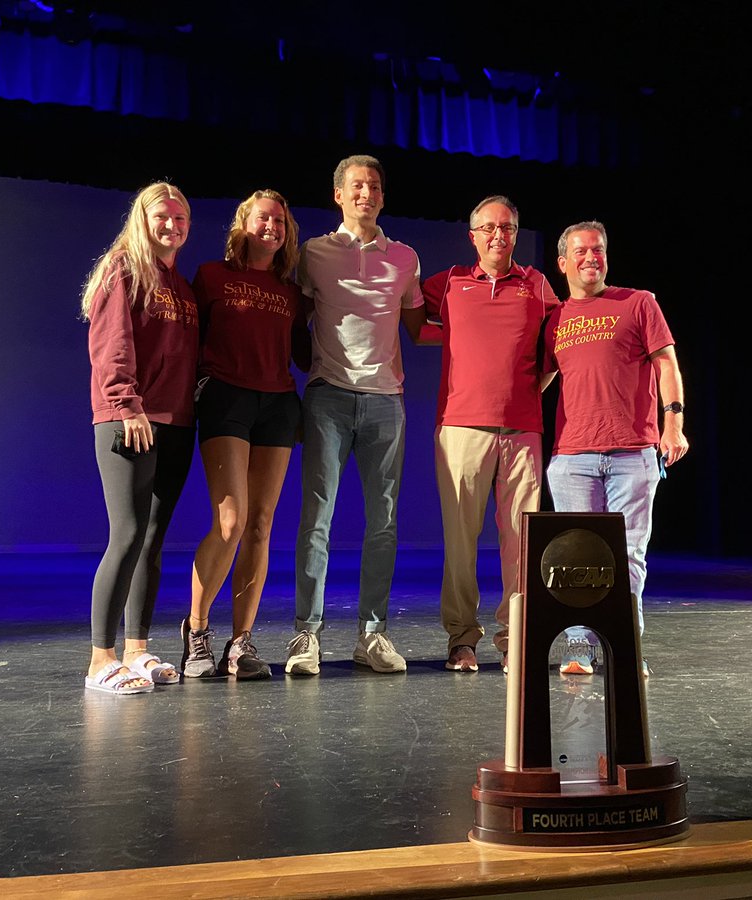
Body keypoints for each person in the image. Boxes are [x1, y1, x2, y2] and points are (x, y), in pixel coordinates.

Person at [285, 154, 423, 676]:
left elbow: (418, 324)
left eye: (374, 186)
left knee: (383, 521)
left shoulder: (405, 257)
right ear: (338, 195)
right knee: (316, 520)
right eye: (356, 186)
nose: (366, 193)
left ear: (383, 197)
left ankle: (373, 633)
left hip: (387, 401)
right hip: (329, 398)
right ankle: (306, 634)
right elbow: (294, 322)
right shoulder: (313, 254)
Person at [420, 196, 559, 673]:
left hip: (523, 430)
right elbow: (413, 322)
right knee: (460, 538)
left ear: (516, 234)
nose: (499, 235)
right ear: (473, 234)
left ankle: (514, 636)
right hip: (460, 426)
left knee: (521, 537)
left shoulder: (537, 285)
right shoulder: (450, 282)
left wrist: (528, 389)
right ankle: (462, 638)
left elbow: (558, 346)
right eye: (489, 228)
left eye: (508, 228)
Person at [543, 222, 688, 676]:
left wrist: (674, 423)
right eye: (582, 251)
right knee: (578, 560)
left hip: (633, 453)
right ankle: (580, 650)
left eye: (599, 249)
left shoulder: (638, 302)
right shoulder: (554, 319)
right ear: (563, 262)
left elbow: (666, 362)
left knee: (628, 555)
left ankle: (624, 647)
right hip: (572, 457)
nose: (592, 257)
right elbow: (538, 381)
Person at [180, 190, 307, 681]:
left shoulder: (291, 292)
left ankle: (241, 641)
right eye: (263, 218)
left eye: (280, 220)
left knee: (260, 524)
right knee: (229, 522)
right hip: (225, 397)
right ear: (244, 225)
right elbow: (188, 342)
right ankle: (197, 632)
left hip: (277, 404)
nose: (271, 226)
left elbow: (304, 354)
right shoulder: (213, 277)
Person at [83, 182, 198, 695]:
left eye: (180, 218)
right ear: (141, 219)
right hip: (129, 419)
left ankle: (137, 650)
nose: (172, 225)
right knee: (127, 535)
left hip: (174, 423)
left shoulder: (181, 284)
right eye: (162, 217)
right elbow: (113, 344)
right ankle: (100, 660)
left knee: (152, 542)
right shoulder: (123, 268)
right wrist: (126, 404)